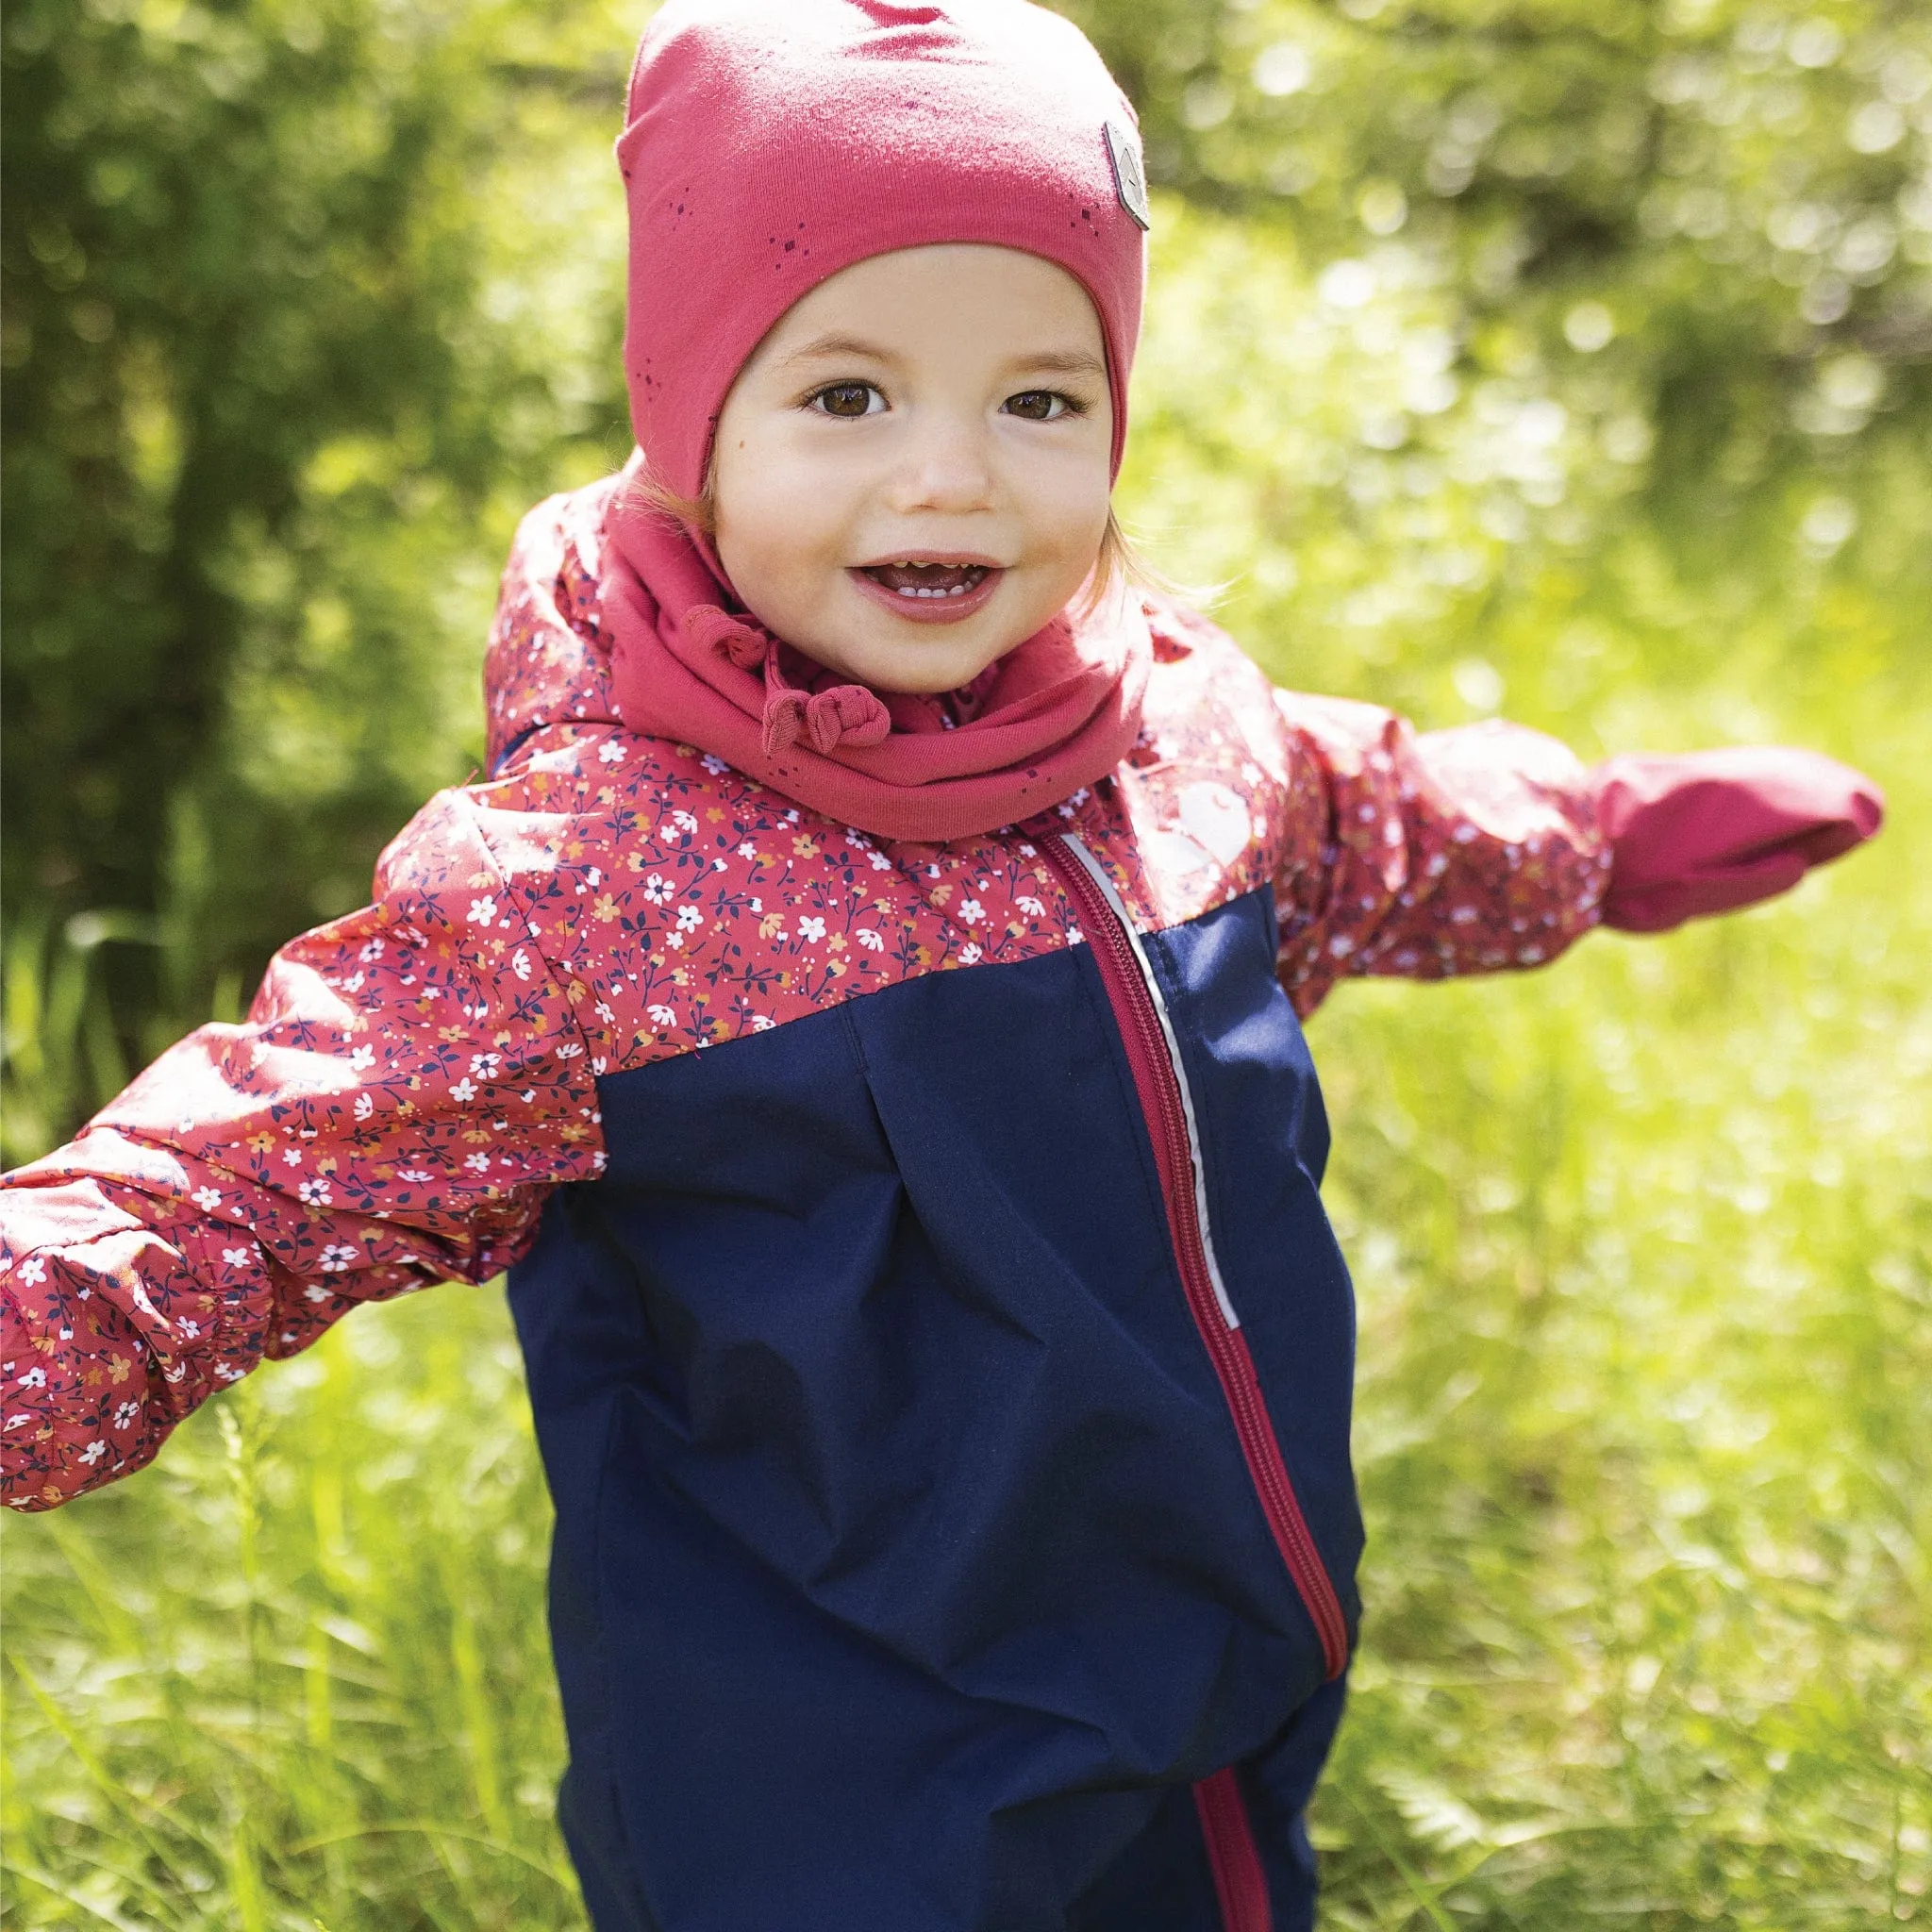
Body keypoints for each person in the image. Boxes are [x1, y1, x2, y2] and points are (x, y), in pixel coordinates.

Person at [0, 3, 1884, 1927]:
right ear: (692, 412)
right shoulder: (587, 884)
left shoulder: (1174, 738)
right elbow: (245, 1172)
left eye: (1040, 400)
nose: (951, 480)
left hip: (1216, 1677)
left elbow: (1380, 815)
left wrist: (1613, 831)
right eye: (847, 396)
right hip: (835, 1791)